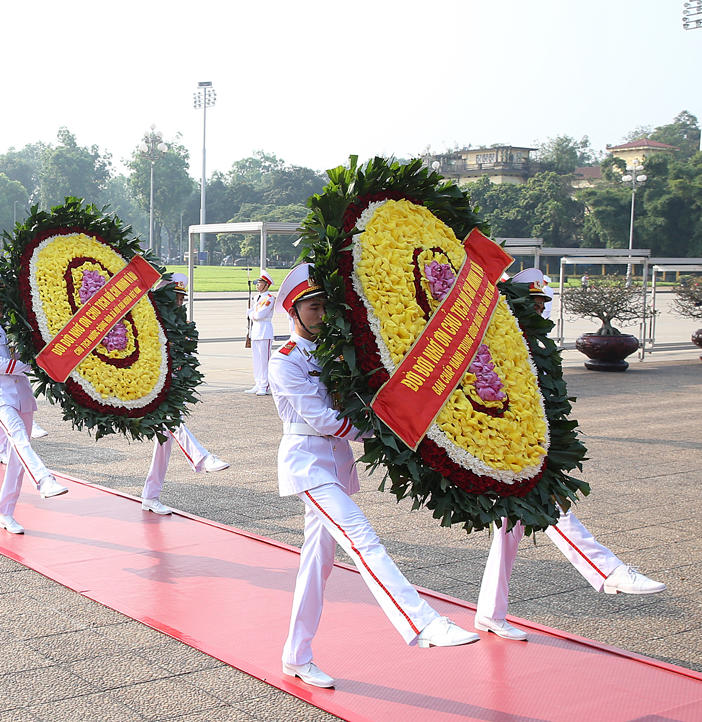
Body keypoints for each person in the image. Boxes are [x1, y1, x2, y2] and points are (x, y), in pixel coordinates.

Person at [270, 263, 478, 689]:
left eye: (325, 305)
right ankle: (422, 621)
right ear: (293, 311)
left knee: (317, 565)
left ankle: (296, 654)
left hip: (336, 462)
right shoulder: (284, 361)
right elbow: (324, 419)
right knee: (362, 538)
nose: (321, 314)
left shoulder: (336, 353)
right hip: (306, 462)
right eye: (312, 307)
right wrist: (383, 430)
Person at [473, 271, 665, 642]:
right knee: (551, 508)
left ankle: (490, 613)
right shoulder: (497, 341)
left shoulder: (533, 343)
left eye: (543, 305)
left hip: (528, 446)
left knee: (510, 530)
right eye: (532, 303)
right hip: (503, 449)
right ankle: (608, 571)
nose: (540, 311)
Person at [0, 271, 68, 535]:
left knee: (16, 458)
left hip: (23, 396)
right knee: (19, 438)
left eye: (1, 296)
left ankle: (6, 513)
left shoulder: (20, 325)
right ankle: (44, 480)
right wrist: (31, 364)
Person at [140, 272, 230, 515]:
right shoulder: (151, 320)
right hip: (149, 388)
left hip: (171, 386)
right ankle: (201, 458)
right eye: (175, 298)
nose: (179, 303)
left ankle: (151, 496)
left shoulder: (180, 324)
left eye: (182, 298)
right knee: (171, 421)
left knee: (164, 443)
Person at [245, 269, 274, 396]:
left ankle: (265, 385)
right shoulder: (256, 297)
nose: (257, 284)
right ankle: (258, 383)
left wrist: (251, 314)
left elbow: (260, 315)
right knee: (256, 359)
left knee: (264, 360)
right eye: (257, 282)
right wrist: (252, 314)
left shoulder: (269, 298)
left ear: (266, 285)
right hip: (255, 330)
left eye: (260, 282)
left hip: (264, 329)